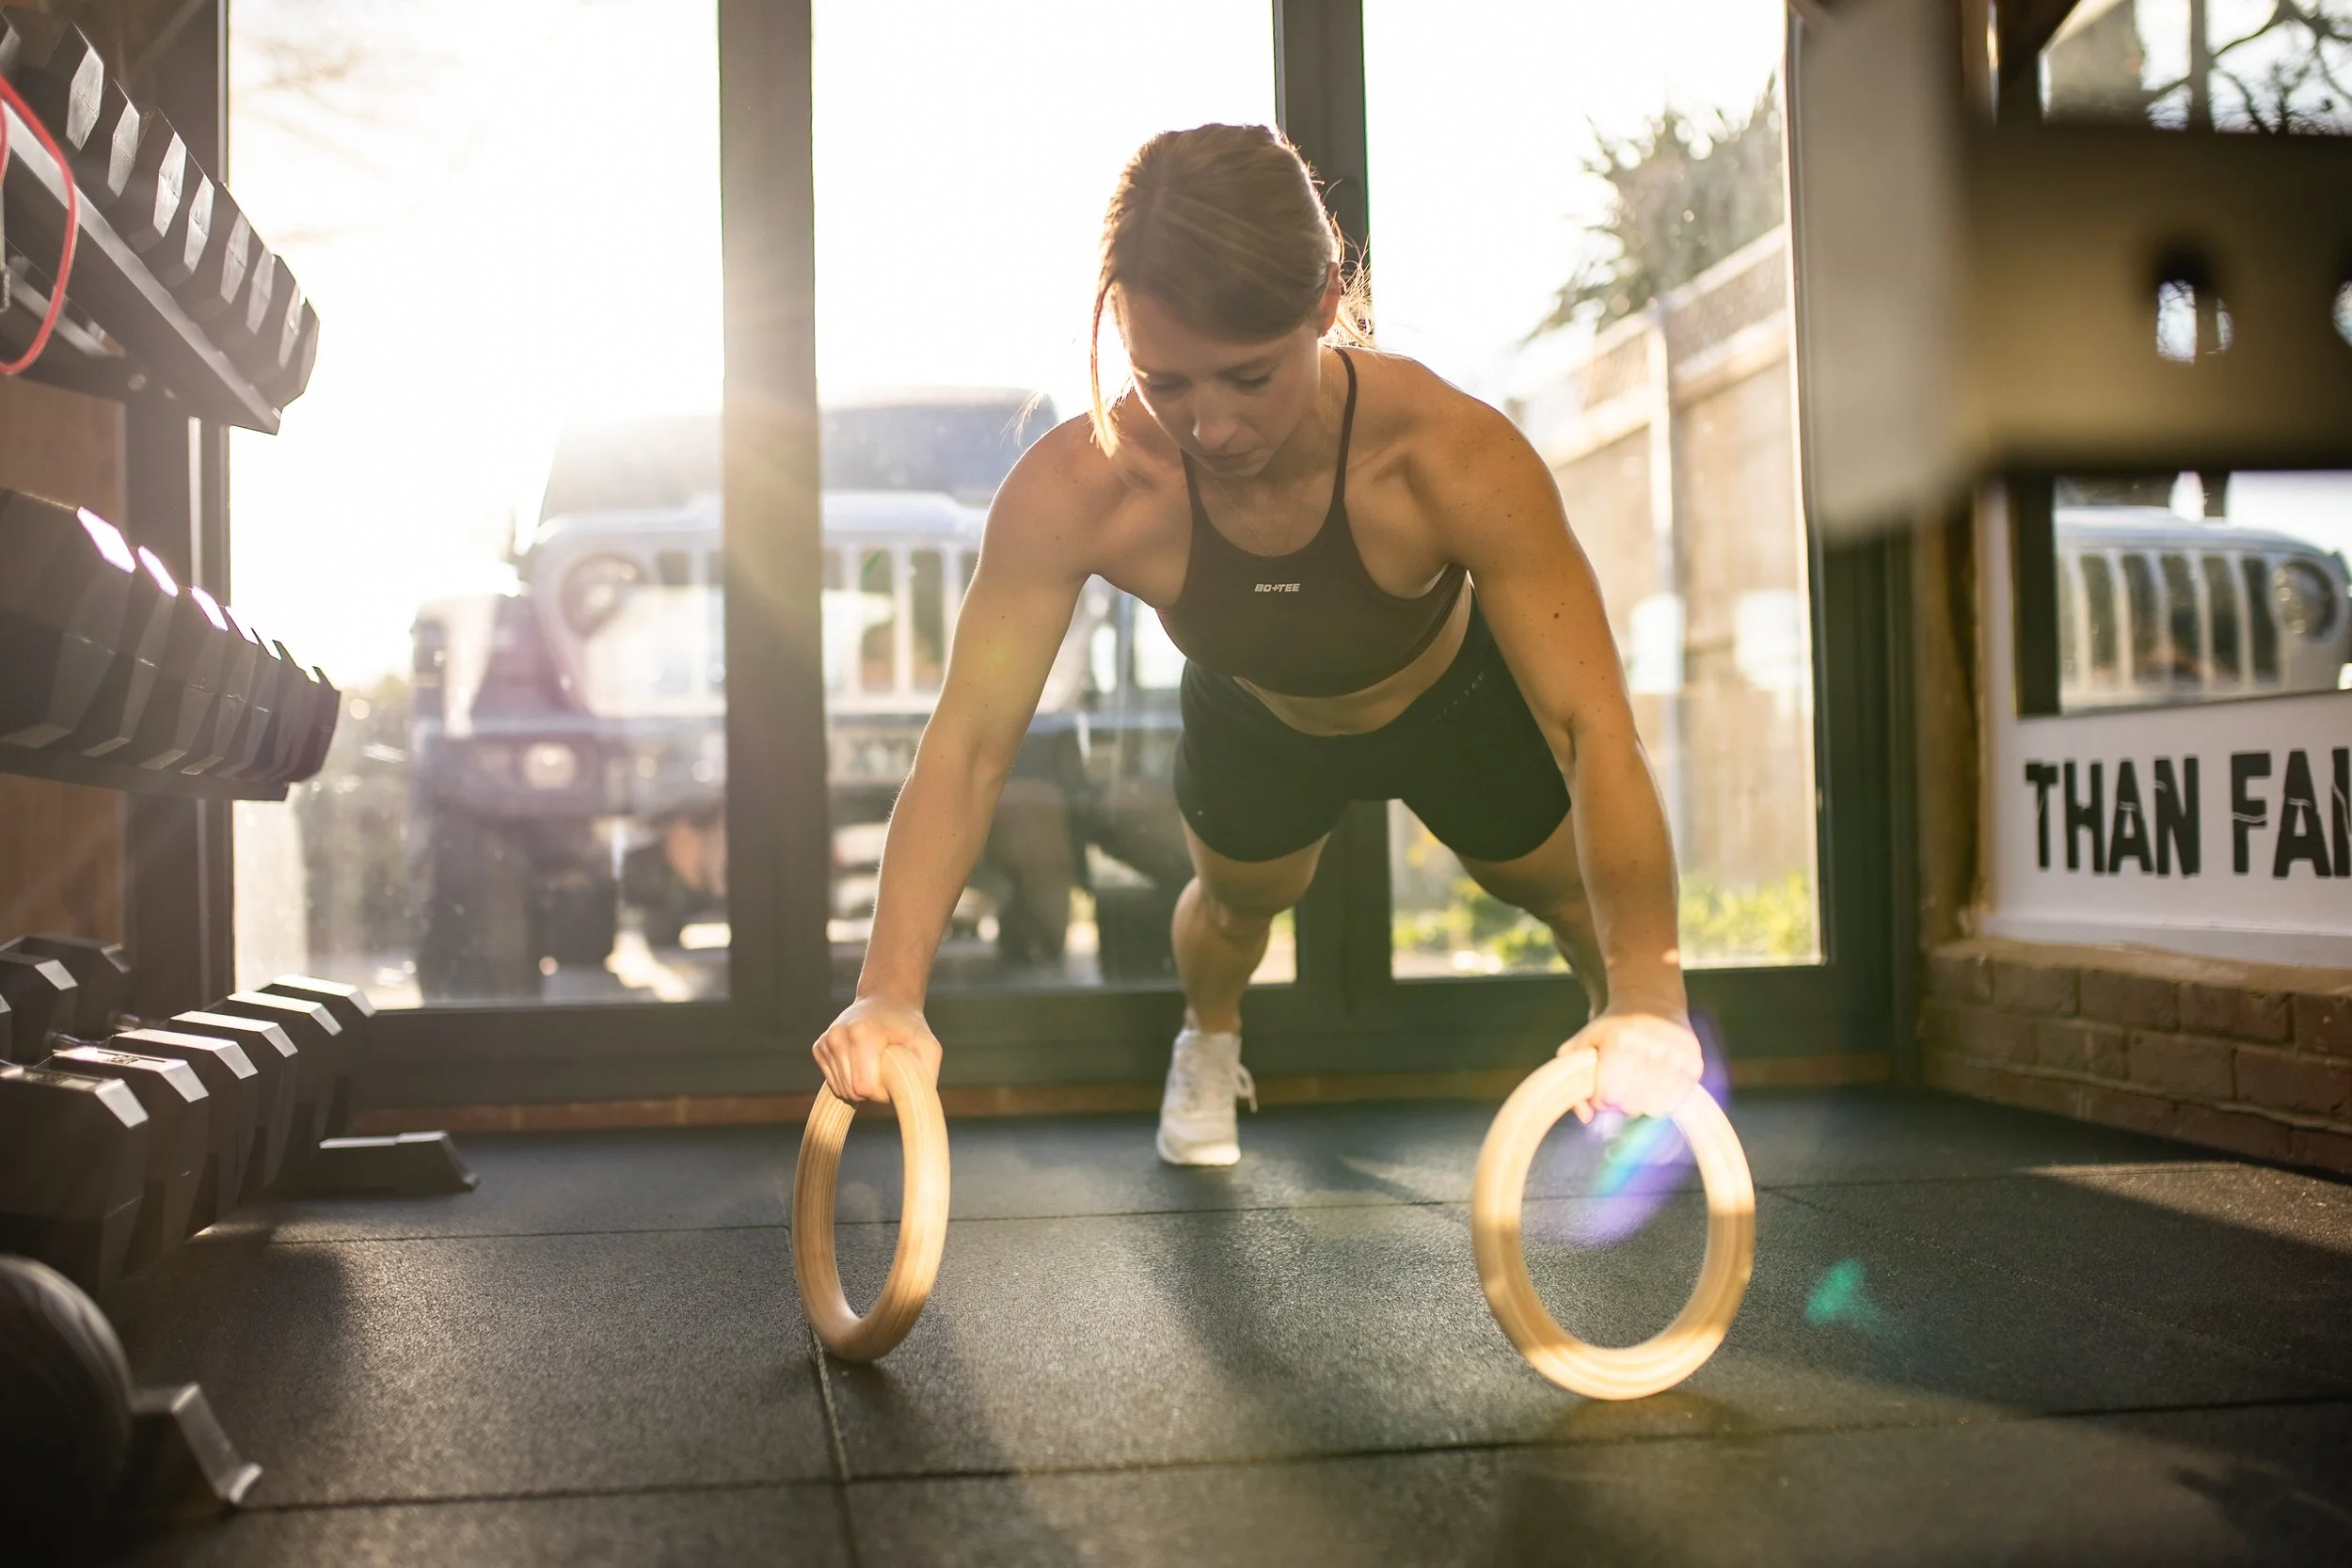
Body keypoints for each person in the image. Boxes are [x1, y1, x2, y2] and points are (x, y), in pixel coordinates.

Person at [813, 123, 1701, 1163]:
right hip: (1257, 715)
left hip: (1453, 701)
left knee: (1563, 894)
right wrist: (889, 989)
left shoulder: (1449, 455)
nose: (1213, 427)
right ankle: (1209, 1038)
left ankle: (1626, 1056)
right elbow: (968, 743)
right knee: (1236, 909)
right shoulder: (1081, 488)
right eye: (1166, 382)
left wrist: (1649, 995)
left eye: (1247, 377)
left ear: (1323, 303)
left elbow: (1592, 727)